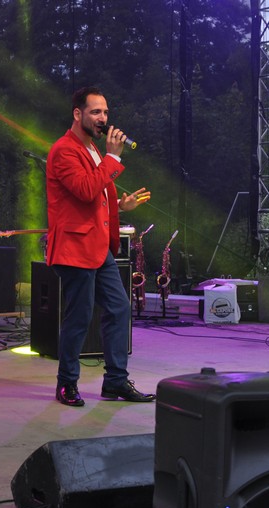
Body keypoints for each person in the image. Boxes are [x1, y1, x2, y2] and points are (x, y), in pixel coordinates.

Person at [45, 86, 155, 407]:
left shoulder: (93, 149)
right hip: (75, 247)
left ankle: (115, 381)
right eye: (95, 112)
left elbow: (96, 196)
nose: (103, 118)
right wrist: (113, 157)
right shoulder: (64, 150)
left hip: (98, 247)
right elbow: (84, 190)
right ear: (77, 114)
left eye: (105, 112)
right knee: (79, 318)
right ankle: (66, 383)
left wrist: (120, 204)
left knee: (119, 308)